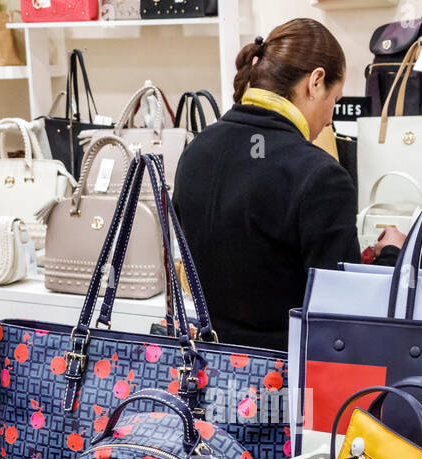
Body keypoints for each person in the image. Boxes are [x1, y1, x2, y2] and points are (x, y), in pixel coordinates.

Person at [173, 19, 404, 351]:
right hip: (287, 383)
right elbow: (346, 313)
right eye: (334, 101)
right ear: (316, 82)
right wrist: (391, 255)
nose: (329, 119)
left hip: (210, 375)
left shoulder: (195, 152)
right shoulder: (320, 175)